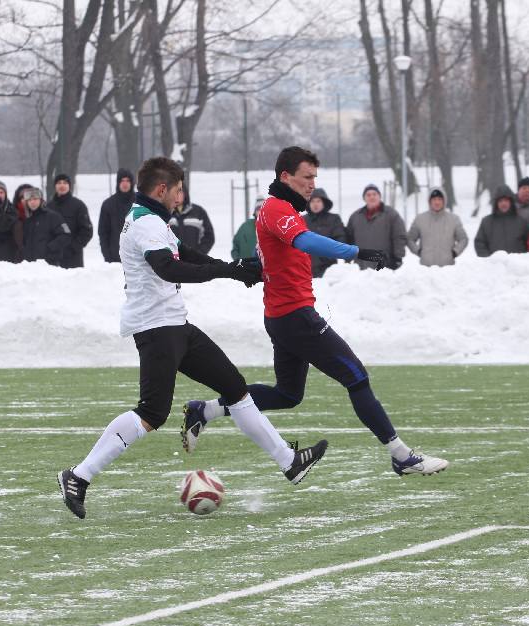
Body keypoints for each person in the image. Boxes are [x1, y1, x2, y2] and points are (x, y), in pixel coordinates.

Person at [58, 156, 328, 519]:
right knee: (152, 413)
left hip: (174, 324)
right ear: (161, 189)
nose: (181, 196)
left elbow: (184, 253)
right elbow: (168, 268)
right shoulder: (145, 223)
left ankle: (289, 461)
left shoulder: (149, 217)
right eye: (179, 189)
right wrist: (224, 274)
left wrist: (231, 269)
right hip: (156, 328)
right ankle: (78, 475)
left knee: (235, 387)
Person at [182, 146, 448, 477]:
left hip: (283, 317)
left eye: (314, 178)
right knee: (357, 378)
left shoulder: (282, 210)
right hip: (296, 318)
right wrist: (356, 251)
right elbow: (305, 242)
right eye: (307, 177)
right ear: (285, 177)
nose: (312, 184)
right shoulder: (277, 208)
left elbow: (277, 254)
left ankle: (204, 411)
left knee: (287, 394)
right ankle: (401, 456)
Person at [346, 183, 407, 270]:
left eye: (374, 194)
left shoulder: (391, 214)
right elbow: (349, 239)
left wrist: (398, 257)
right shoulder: (355, 216)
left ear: (379, 196)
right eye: (368, 195)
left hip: (386, 266)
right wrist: (348, 258)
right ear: (364, 198)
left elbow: (399, 236)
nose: (372, 197)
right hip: (361, 267)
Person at [407, 188, 468, 266]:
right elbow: (410, 239)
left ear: (444, 201)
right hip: (426, 268)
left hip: (448, 268)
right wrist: (418, 251)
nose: (437, 202)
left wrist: (455, 252)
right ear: (430, 201)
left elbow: (463, 239)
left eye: (440, 199)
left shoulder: (454, 219)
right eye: (434, 199)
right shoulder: (420, 219)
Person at [50, 173, 94, 268]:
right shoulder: (48, 207)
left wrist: (74, 247)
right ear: (55, 186)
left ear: (69, 186)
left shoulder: (78, 206)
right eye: (59, 183)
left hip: (73, 259)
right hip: (51, 259)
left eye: (65, 183)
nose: (62, 185)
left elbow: (87, 231)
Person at [21, 187, 73, 265]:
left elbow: (66, 234)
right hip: (30, 266)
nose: (32, 202)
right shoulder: (27, 220)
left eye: (35, 199)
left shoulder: (53, 216)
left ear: (41, 200)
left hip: (49, 264)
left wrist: (50, 247)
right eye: (29, 200)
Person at [475, 184, 529, 256]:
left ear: (511, 202)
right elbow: (479, 243)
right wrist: (488, 259)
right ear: (496, 203)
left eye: (506, 200)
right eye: (500, 201)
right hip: (494, 265)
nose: (503, 203)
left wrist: (523, 258)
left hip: (517, 265)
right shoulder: (486, 222)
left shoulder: (521, 222)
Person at [302, 188, 346, 276]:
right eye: (312, 201)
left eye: (318, 201)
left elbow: (341, 239)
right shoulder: (302, 220)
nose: (315, 204)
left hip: (328, 270)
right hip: (305, 269)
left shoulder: (334, 219)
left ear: (324, 203)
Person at [98, 168, 135, 263]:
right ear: (118, 183)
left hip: (137, 258)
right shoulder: (108, 204)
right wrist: (107, 255)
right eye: (122, 180)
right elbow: (103, 232)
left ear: (132, 183)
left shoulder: (141, 203)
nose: (125, 183)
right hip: (114, 258)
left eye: (128, 180)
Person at [169, 185, 215, 254]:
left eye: (180, 192)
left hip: (194, 262)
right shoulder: (165, 212)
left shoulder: (198, 212)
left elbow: (209, 237)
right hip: (172, 261)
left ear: (185, 194)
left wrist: (199, 254)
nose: (177, 196)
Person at [232, 197, 264, 261]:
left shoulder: (272, 227)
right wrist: (238, 262)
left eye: (262, 208)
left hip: (266, 269)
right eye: (258, 209)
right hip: (246, 268)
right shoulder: (245, 227)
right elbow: (235, 247)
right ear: (254, 211)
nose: (260, 211)